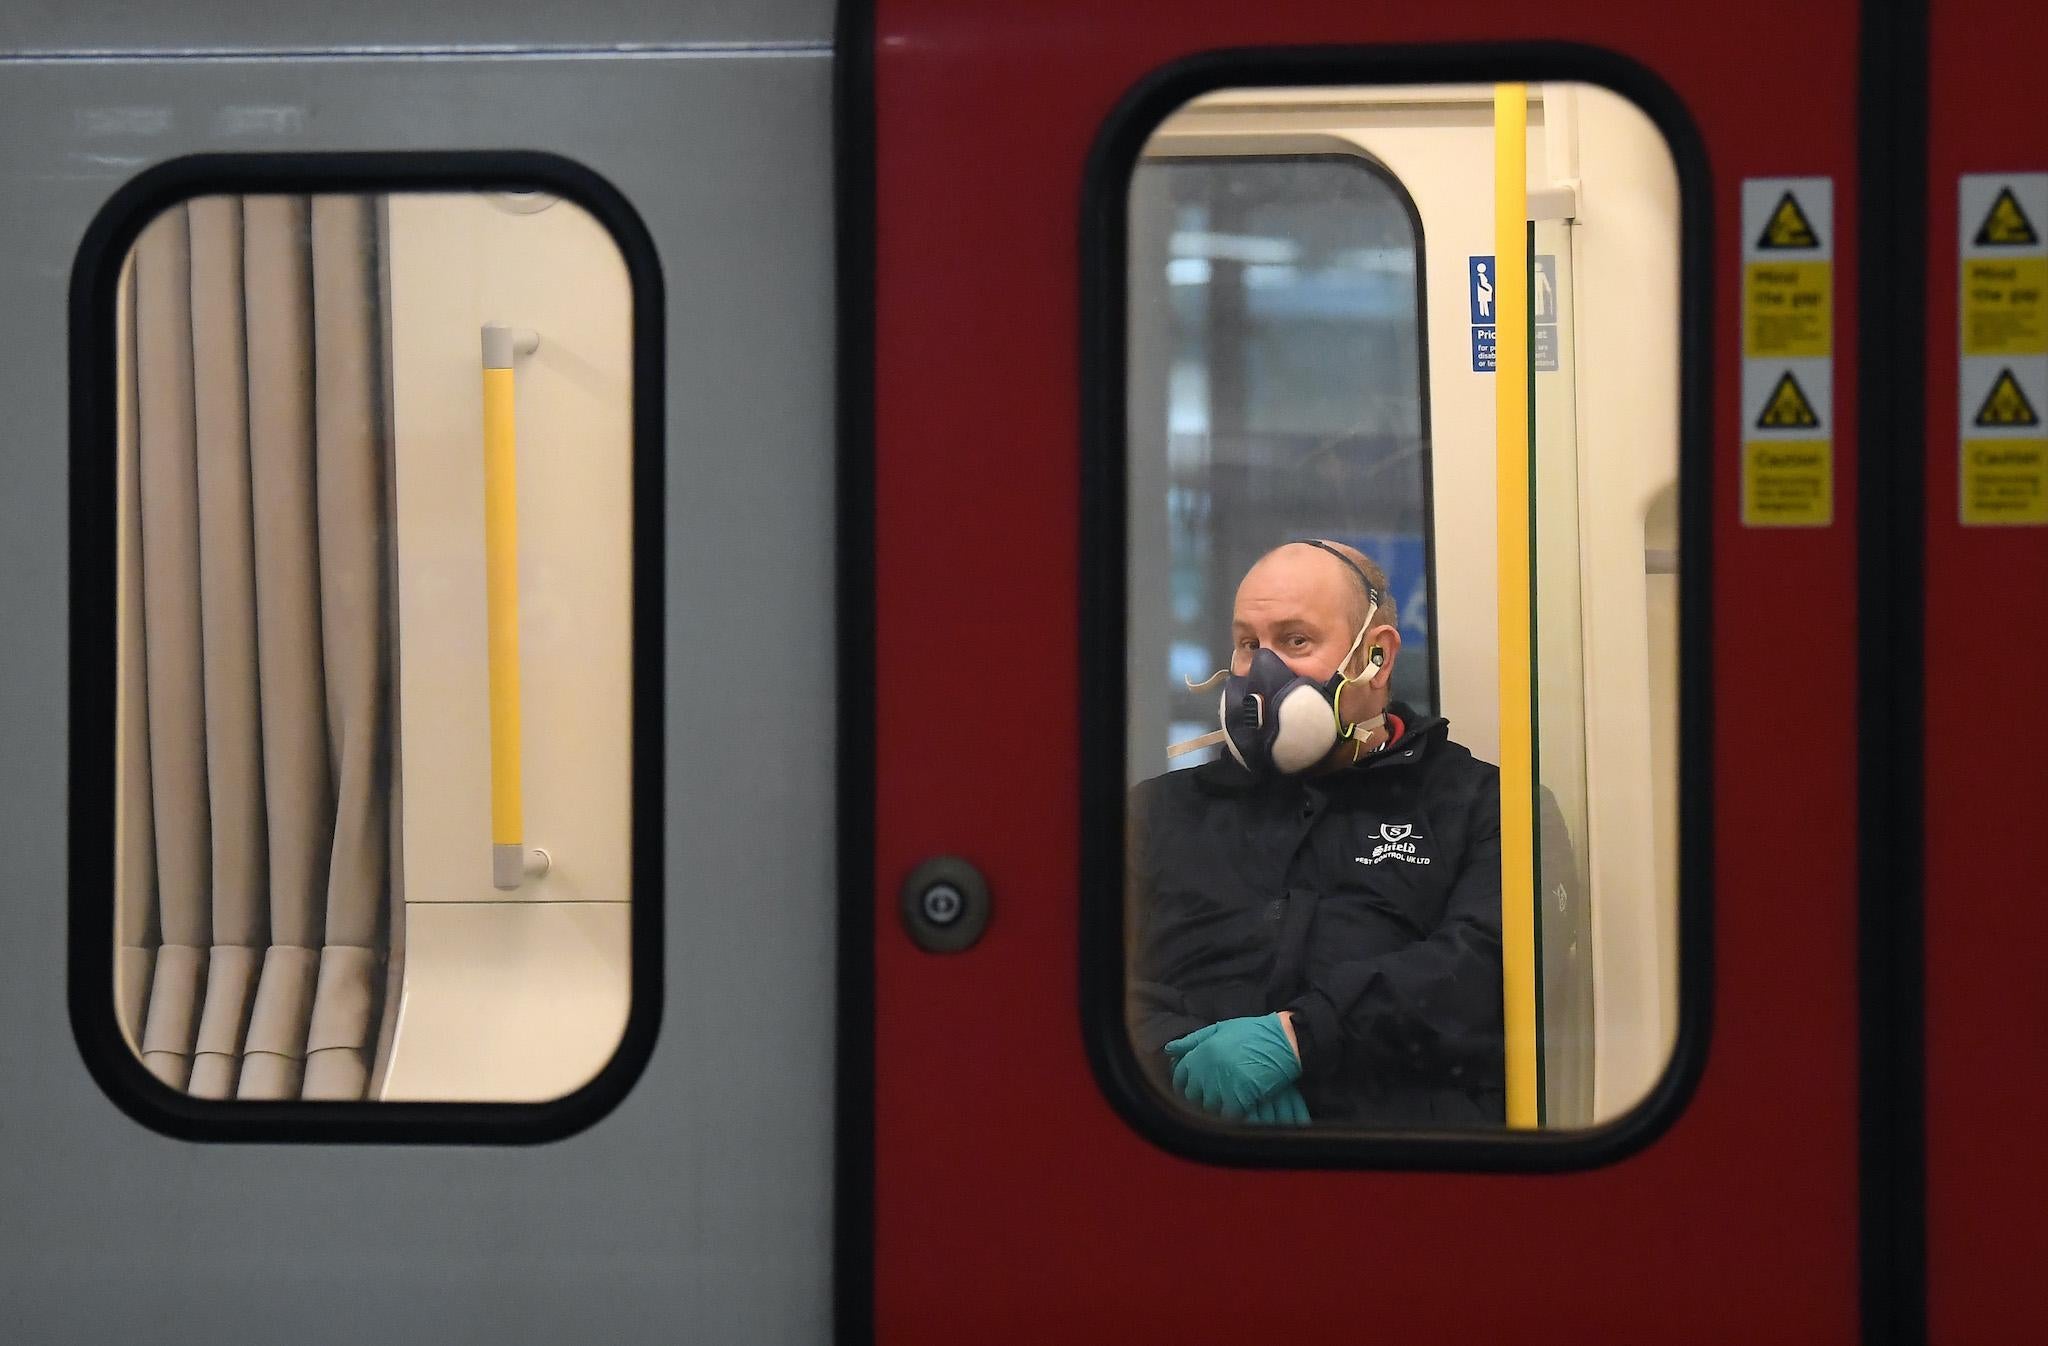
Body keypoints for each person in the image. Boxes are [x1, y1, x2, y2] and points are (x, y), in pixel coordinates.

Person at [1127, 539, 1505, 1128]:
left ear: (1375, 658)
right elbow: (1081, 972)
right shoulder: (1157, 814)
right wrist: (1183, 1062)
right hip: (1184, 1157)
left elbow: (1483, 966)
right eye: (1249, 644)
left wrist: (1300, 1037)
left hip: (1398, 1173)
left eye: (1295, 641)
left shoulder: (1481, 807)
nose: (1260, 673)